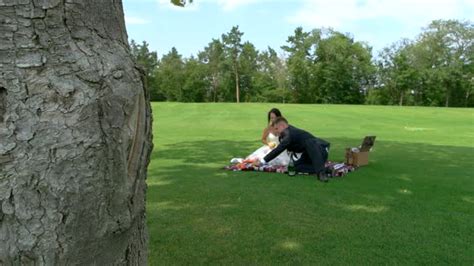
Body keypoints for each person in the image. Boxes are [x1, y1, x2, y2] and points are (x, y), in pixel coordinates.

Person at [254, 117, 331, 182]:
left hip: (320, 149)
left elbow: (278, 149)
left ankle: (321, 174)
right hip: (308, 154)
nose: (276, 131)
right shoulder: (286, 134)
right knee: (296, 167)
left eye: (277, 128)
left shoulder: (289, 133)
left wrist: (262, 162)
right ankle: (326, 170)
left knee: (310, 142)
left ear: (282, 126)